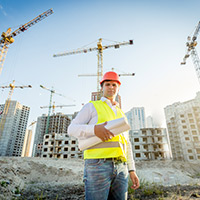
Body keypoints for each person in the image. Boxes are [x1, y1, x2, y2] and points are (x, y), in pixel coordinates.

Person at [68, 71, 139, 200]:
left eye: (114, 85)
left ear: (118, 88)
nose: (111, 87)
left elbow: (126, 144)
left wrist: (131, 169)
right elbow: (72, 129)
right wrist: (95, 130)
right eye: (107, 84)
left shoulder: (122, 114)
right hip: (98, 165)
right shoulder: (91, 106)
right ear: (102, 87)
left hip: (121, 168)